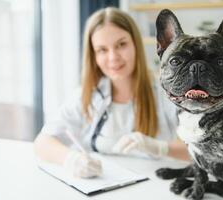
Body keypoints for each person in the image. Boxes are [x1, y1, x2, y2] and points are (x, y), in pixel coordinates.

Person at [34, 7, 190, 179]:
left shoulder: (167, 93)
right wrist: (71, 159)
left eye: (121, 44)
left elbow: (204, 150)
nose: (113, 57)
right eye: (102, 50)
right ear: (93, 55)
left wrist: (161, 148)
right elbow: (42, 143)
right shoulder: (86, 96)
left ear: (135, 44)